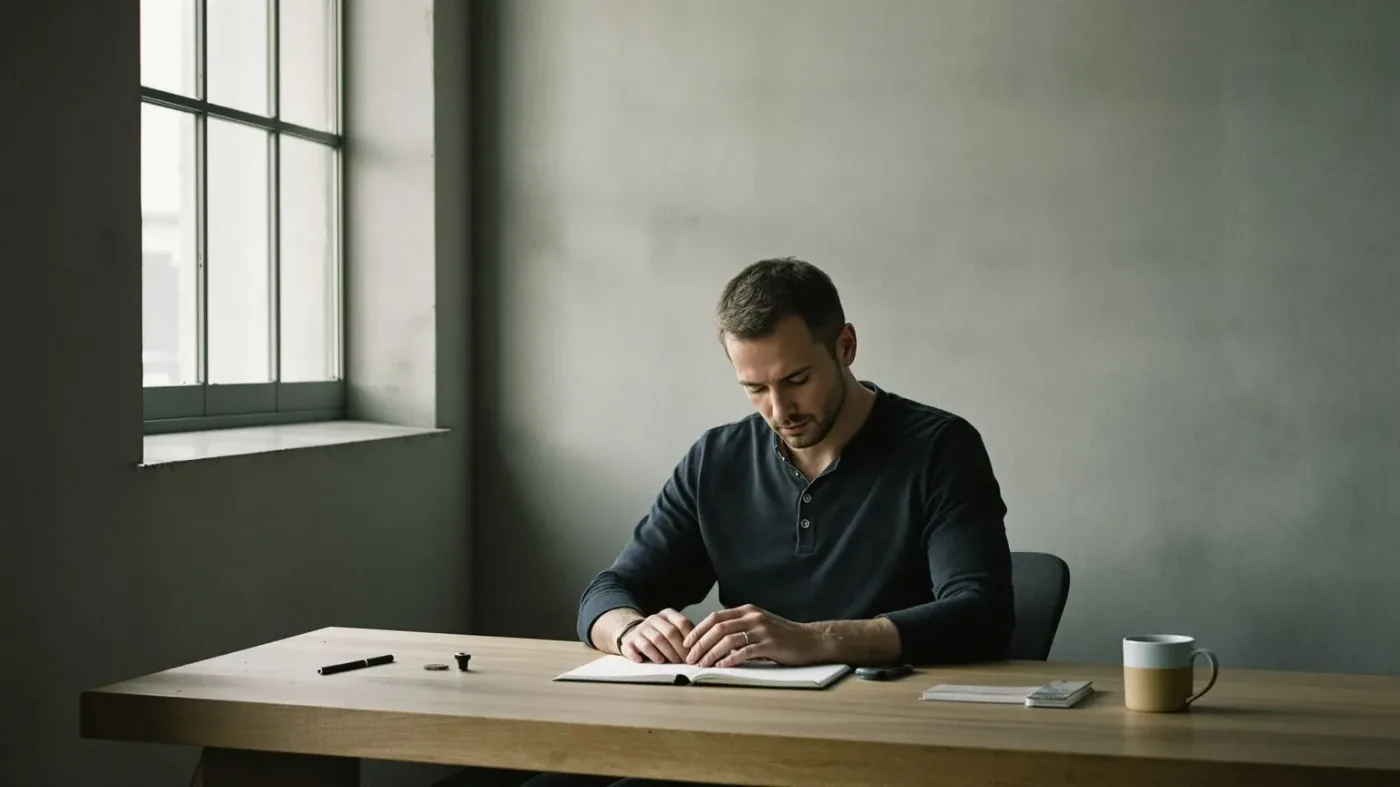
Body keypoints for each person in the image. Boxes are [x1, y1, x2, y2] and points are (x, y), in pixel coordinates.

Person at [516, 257, 1016, 787]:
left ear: (845, 346)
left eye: (796, 379)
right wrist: (633, 631)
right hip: (734, 732)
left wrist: (814, 639)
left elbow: (981, 614)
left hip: (878, 742)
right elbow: (609, 591)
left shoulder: (939, 448)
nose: (779, 409)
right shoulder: (717, 458)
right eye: (754, 389)